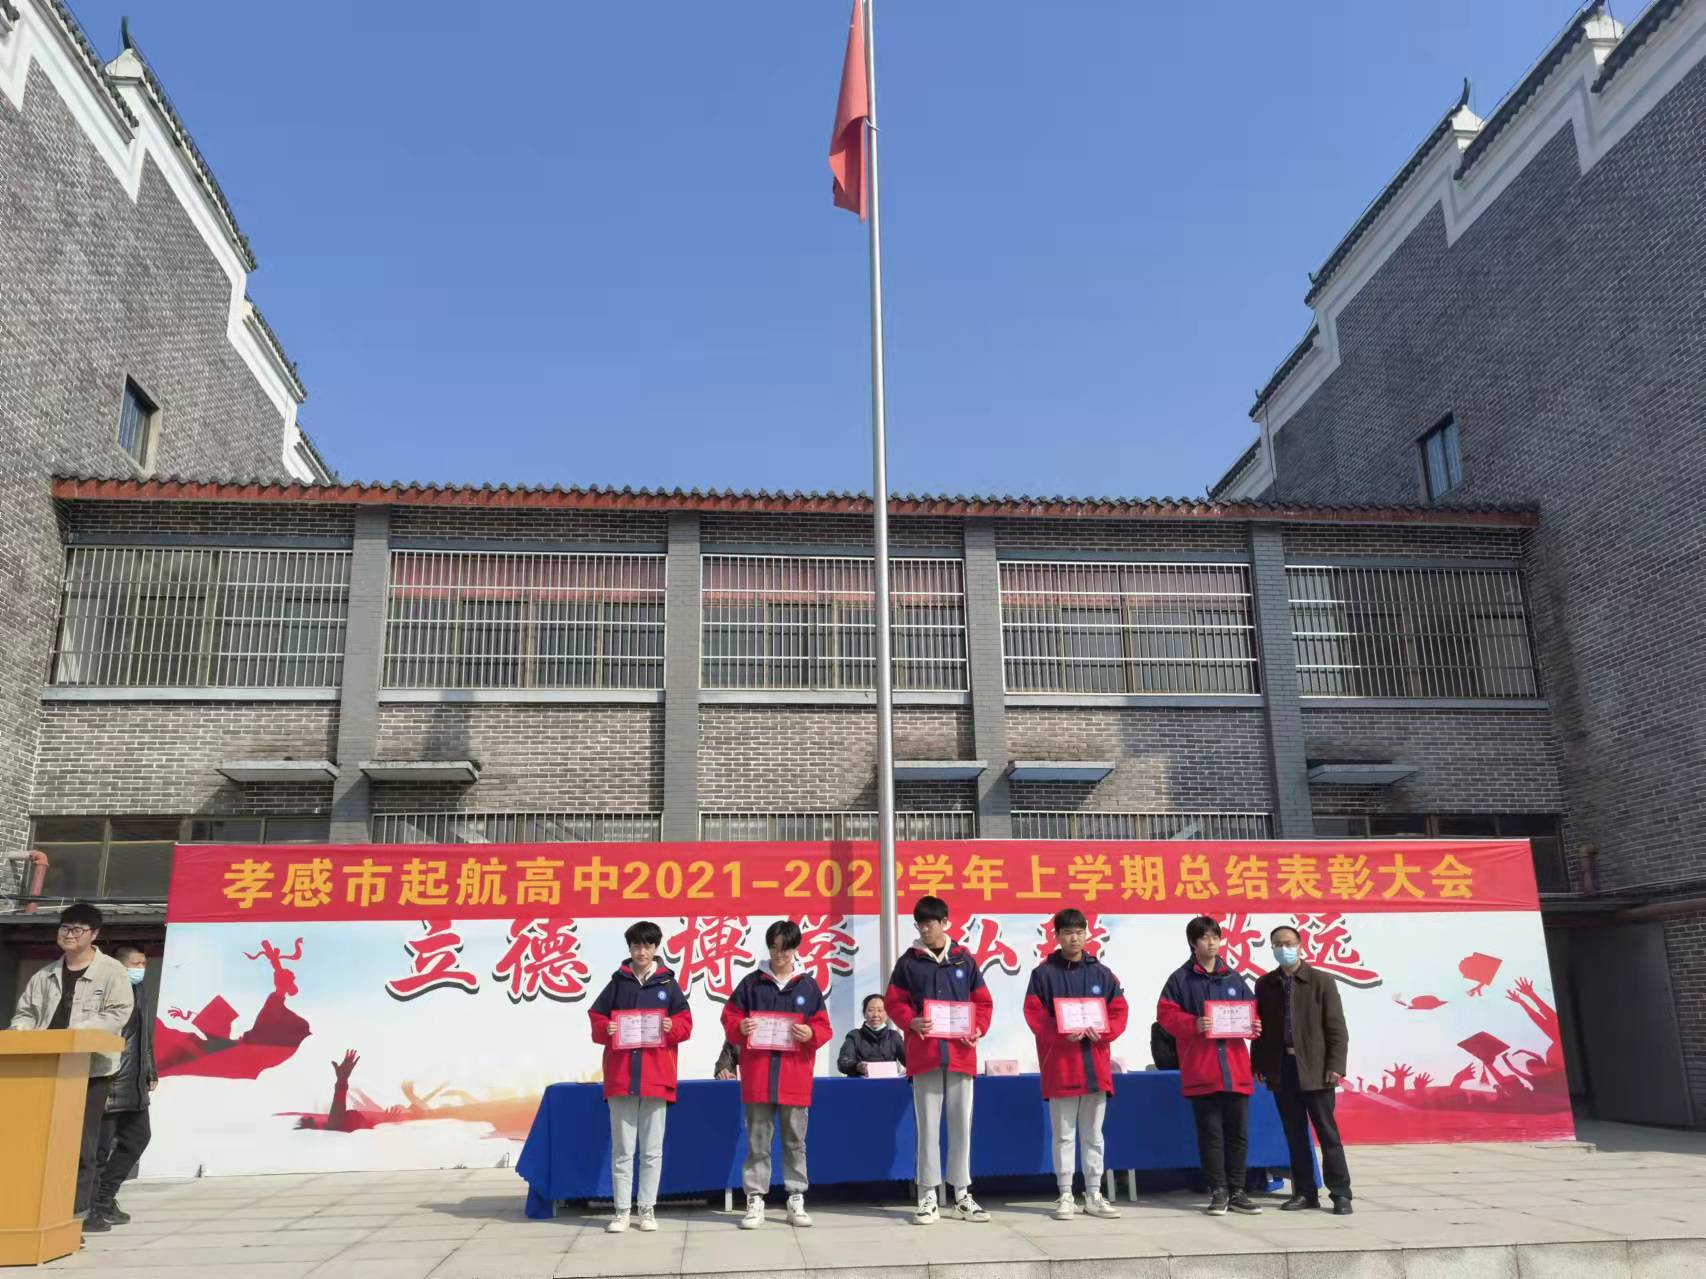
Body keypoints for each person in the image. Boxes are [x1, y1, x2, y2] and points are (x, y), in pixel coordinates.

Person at [8, 902, 133, 1230]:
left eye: (78, 929)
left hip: (89, 1070)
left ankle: (79, 1214)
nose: (69, 934)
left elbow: (118, 1012)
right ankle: (39, 1210)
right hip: (45, 1069)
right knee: (41, 1142)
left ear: (94, 935)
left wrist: (77, 1034)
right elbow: (26, 1013)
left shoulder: (112, 972)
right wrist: (21, 1031)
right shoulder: (44, 975)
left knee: (82, 1144)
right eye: (65, 928)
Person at [884, 895, 993, 1226]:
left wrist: (977, 1028)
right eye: (920, 924)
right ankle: (927, 1196)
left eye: (930, 924)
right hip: (925, 1055)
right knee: (928, 1128)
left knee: (961, 1127)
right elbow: (893, 1002)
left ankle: (961, 1195)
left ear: (945, 923)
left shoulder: (965, 960)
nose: (924, 930)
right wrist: (911, 1021)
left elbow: (983, 1003)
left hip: (961, 1055)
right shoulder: (908, 963)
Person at [721, 920, 833, 1230]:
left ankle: (796, 1197)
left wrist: (810, 1033)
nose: (779, 955)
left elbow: (824, 1027)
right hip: (758, 1076)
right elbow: (729, 1017)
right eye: (774, 948)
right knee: (758, 1140)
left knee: (795, 1140)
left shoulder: (808, 986)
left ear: (795, 949)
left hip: (794, 1077)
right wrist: (740, 1027)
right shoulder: (751, 983)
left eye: (785, 949)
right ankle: (755, 1198)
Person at [1023, 908, 1128, 1221]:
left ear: (1087, 934)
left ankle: (1094, 1194)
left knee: (1094, 1135)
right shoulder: (1043, 975)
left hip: (1096, 1066)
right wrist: (1060, 1032)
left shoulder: (1103, 974)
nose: (1074, 938)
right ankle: (1066, 1193)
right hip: (1062, 1066)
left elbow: (1119, 1011)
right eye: (1068, 932)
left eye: (1079, 932)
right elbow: (1034, 1014)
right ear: (1056, 936)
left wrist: (1104, 1031)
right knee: (1064, 1136)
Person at [588, 921, 692, 1234]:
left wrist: (672, 1027)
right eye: (636, 946)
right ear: (629, 948)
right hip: (622, 1077)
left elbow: (686, 1023)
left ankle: (647, 1208)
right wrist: (605, 1028)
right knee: (622, 1151)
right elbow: (596, 1016)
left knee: (651, 1151)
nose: (642, 951)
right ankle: (621, 1211)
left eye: (647, 946)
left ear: (656, 948)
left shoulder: (669, 985)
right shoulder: (618, 982)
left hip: (656, 1077)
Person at [1156, 915, 1263, 1217]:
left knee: (1238, 1135)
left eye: (1215, 937)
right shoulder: (1180, 979)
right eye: (1204, 938)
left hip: (1235, 1070)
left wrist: (1254, 1026)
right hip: (1202, 1070)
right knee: (1211, 1135)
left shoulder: (1234, 978)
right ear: (1193, 943)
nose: (1211, 943)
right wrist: (1194, 1024)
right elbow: (1165, 1015)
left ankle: (1238, 1191)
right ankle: (1218, 1190)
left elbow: (1251, 1011)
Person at [1254, 924, 1353, 1215]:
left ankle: (1341, 1194)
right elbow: (1260, 1029)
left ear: (1300, 945)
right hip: (1282, 1068)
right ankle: (1305, 1192)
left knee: (1328, 1135)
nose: (1283, 949)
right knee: (1295, 1135)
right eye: (1277, 944)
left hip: (1316, 1068)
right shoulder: (1265, 984)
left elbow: (1337, 1028)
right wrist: (1258, 1063)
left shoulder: (1321, 981)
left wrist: (1336, 1065)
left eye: (1288, 943)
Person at [92, 944, 156, 1228]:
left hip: (134, 1081)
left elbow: (143, 1036)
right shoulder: (107, 990)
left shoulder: (139, 991)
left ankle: (104, 1197)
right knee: (98, 1150)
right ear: (119, 966)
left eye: (144, 964)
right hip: (110, 1078)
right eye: (135, 964)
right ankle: (89, 1206)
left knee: (137, 1138)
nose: (140, 970)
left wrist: (150, 1070)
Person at [836, 993, 905, 1076]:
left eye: (880, 1010)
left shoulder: (894, 1036)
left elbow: (908, 1061)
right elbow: (843, 1062)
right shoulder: (854, 1036)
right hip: (860, 1083)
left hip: (888, 1083)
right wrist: (857, 1066)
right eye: (871, 1010)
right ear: (864, 1014)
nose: (875, 1015)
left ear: (887, 1014)